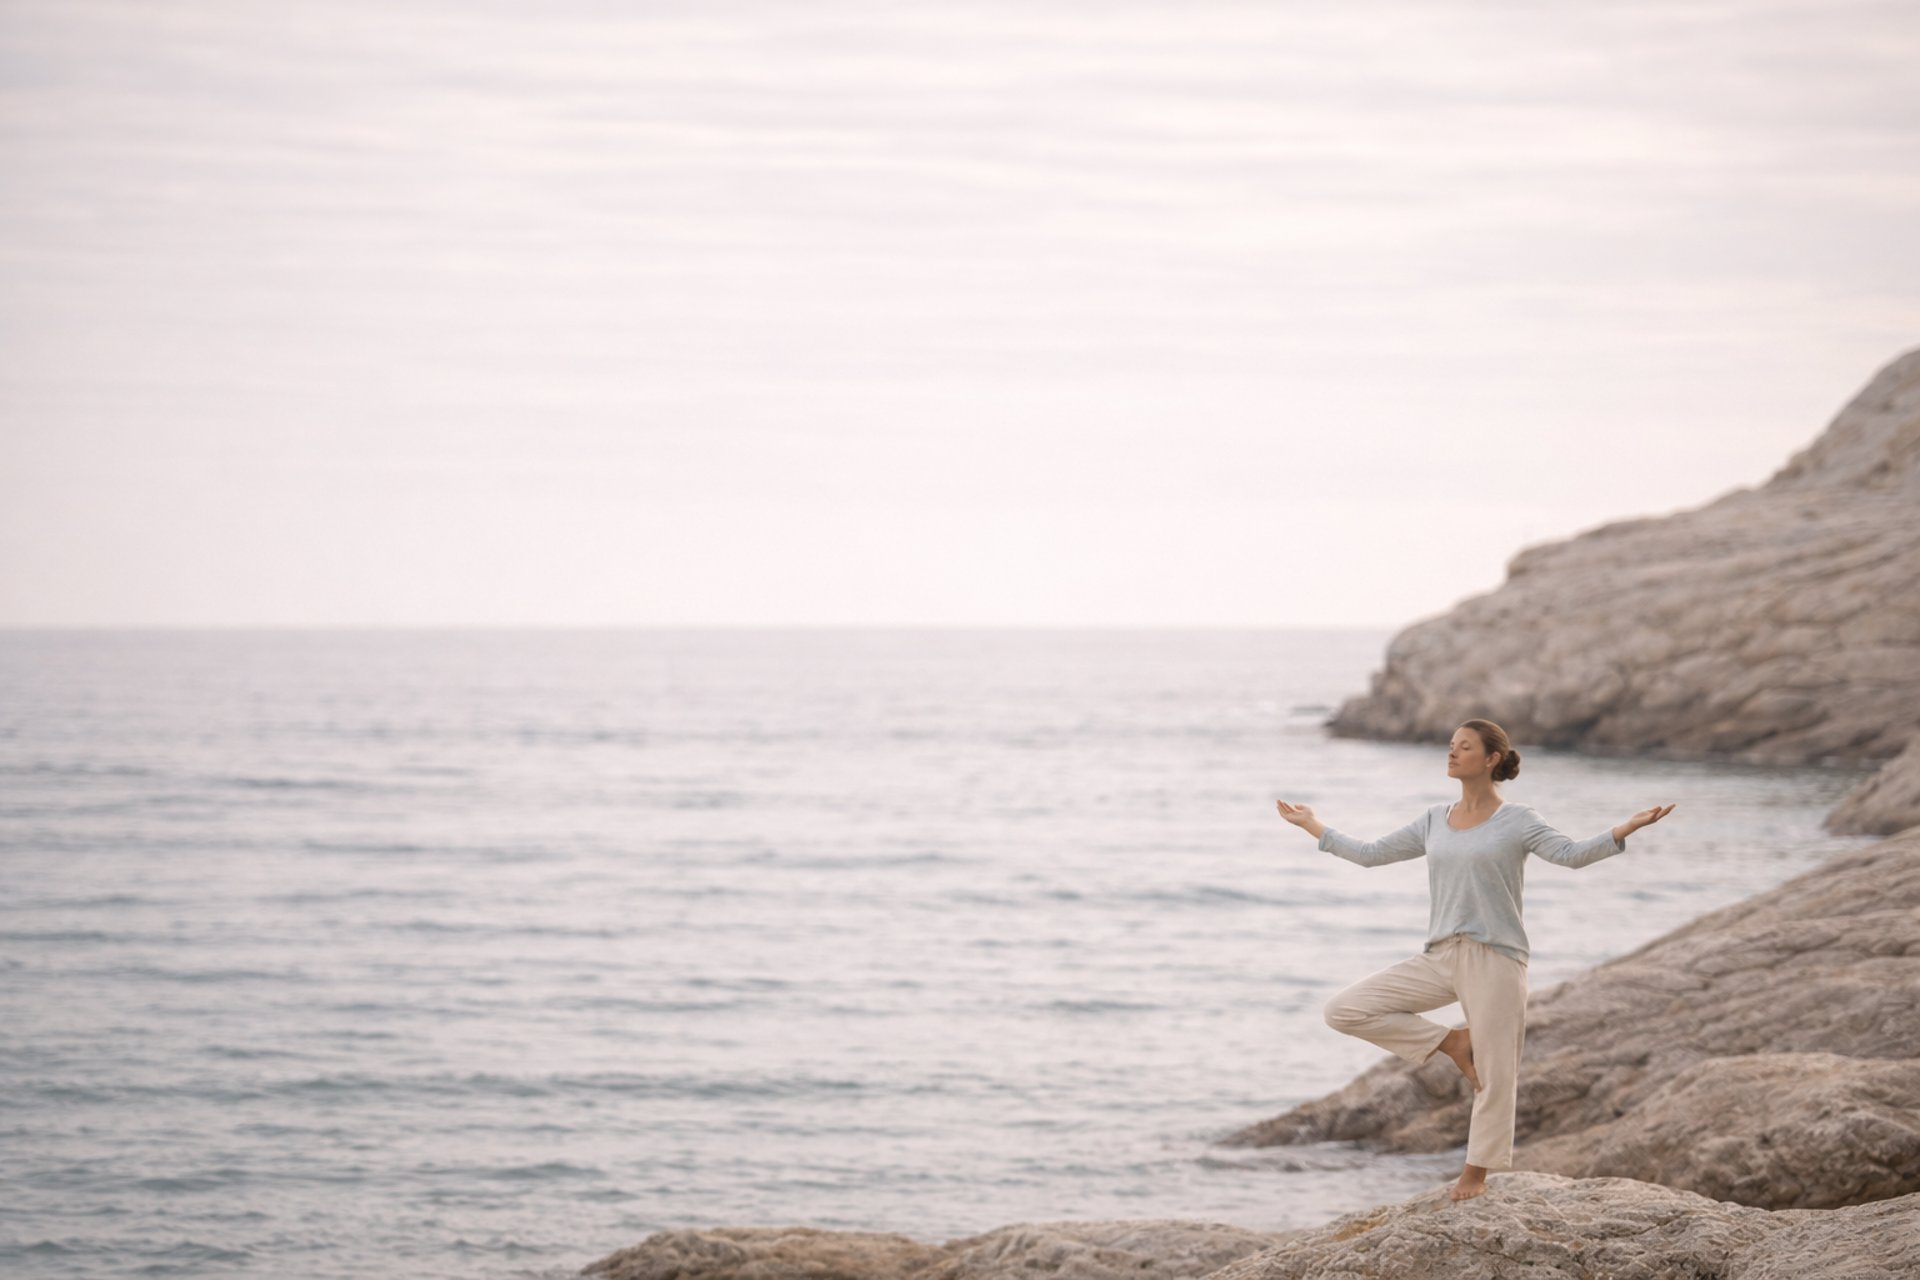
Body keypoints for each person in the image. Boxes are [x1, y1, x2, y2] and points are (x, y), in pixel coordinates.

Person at [1275, 718, 1675, 1202]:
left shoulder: (1519, 820)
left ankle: (1475, 1175)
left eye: (1463, 747)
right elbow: (1370, 854)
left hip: (1496, 959)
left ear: (1490, 760)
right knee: (1344, 1009)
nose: (1451, 753)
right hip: (1441, 954)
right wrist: (1311, 824)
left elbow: (1569, 855)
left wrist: (1623, 829)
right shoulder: (1432, 820)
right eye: (1450, 746)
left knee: (1495, 1077)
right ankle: (1451, 1042)